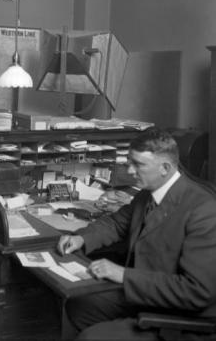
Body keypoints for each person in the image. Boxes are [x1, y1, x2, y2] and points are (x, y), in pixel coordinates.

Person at [56, 127, 216, 340]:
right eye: (129, 162)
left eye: (138, 165)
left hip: (180, 316)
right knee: (79, 306)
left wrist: (122, 275)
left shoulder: (203, 210)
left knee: (91, 338)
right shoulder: (148, 193)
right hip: (145, 296)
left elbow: (196, 291)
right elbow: (116, 223)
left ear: (165, 168)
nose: (130, 170)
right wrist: (81, 238)